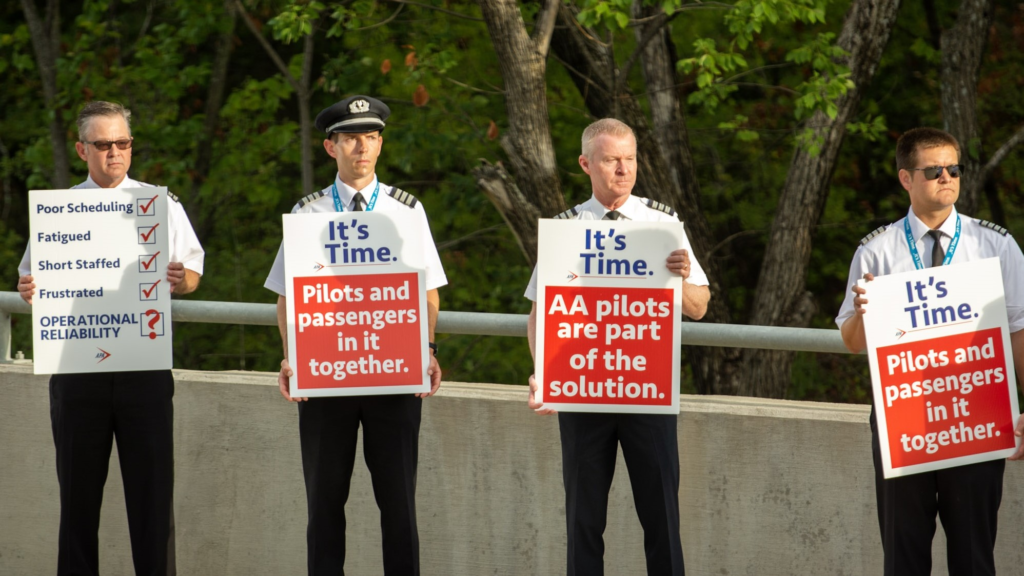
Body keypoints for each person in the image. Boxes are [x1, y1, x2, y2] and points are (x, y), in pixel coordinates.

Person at [16, 100, 204, 575]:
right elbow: (31, 284)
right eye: (103, 144)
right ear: (82, 149)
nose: (114, 153)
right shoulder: (59, 211)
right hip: (79, 371)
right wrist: (29, 289)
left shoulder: (160, 203)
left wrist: (182, 279)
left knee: (153, 503)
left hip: (144, 367)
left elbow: (194, 271)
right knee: (78, 504)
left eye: (123, 143)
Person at [264, 95, 445, 576]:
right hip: (326, 379)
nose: (360, 147)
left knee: (399, 508)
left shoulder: (408, 210)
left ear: (380, 145)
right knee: (324, 506)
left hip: (394, 377)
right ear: (331, 147)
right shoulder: (307, 213)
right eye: (349, 138)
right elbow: (287, 297)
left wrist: (427, 349)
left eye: (369, 137)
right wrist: (290, 357)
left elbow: (429, 291)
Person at [524, 118, 710, 576]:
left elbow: (699, 308)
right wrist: (542, 375)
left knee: (662, 518)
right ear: (587, 164)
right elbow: (539, 314)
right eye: (611, 160)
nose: (623, 170)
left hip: (648, 391)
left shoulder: (663, 225)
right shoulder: (566, 228)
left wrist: (682, 278)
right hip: (583, 391)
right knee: (583, 521)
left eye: (630, 159)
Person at [836, 127, 1024, 576]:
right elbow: (851, 339)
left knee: (975, 555)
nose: (946, 177)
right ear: (906, 178)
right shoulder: (875, 251)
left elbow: (1019, 333)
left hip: (976, 415)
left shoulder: (995, 245)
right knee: (904, 555)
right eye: (934, 170)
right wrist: (863, 312)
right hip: (903, 420)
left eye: (954, 169)